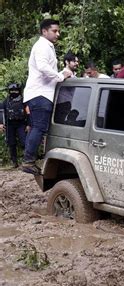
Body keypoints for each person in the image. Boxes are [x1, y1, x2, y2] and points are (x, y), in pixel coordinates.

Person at [22, 19, 72, 175]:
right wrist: (60, 75)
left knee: (38, 127)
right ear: (44, 31)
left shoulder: (46, 46)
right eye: (54, 31)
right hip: (40, 93)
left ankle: (30, 159)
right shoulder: (42, 46)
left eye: (58, 31)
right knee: (39, 127)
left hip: (41, 93)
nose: (58, 34)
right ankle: (28, 161)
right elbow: (43, 67)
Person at [0, 83, 28, 168]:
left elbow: (29, 113)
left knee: (24, 142)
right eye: (12, 90)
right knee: (11, 143)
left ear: (19, 91)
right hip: (9, 124)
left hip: (21, 123)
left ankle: (28, 160)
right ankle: (14, 162)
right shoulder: (6, 101)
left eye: (15, 90)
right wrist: (1, 123)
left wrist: (28, 124)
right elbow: (1, 112)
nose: (14, 92)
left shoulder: (24, 101)